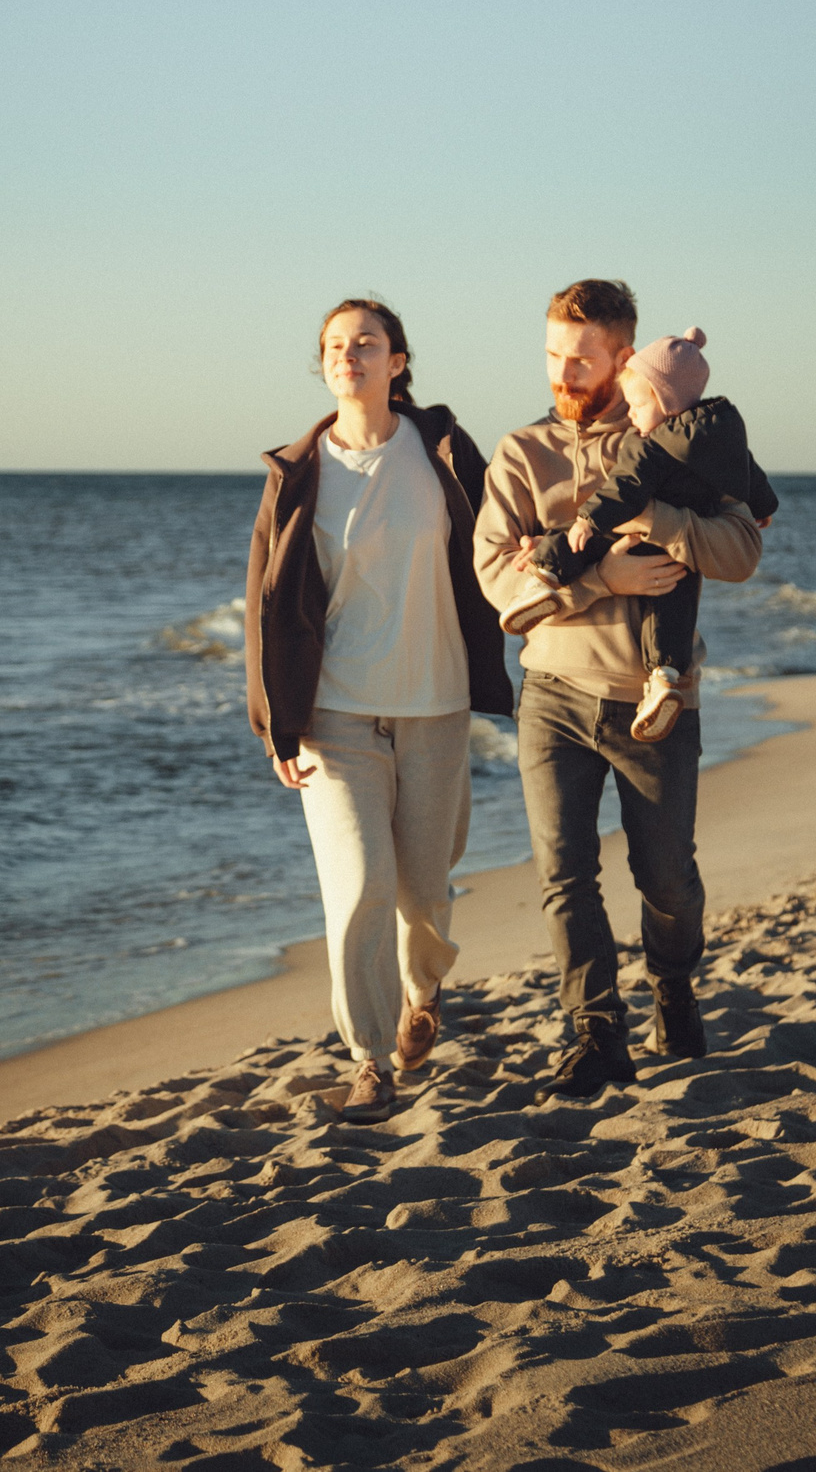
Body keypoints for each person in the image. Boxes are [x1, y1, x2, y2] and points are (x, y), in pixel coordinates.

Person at [473, 279, 766, 1101]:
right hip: (554, 694)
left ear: (623, 357)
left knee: (666, 876)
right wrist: (600, 574)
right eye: (552, 355)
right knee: (564, 873)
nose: (562, 371)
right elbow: (502, 584)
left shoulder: (677, 439)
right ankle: (595, 1031)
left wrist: (659, 526)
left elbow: (741, 550)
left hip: (655, 701)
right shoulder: (520, 453)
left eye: (581, 357)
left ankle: (673, 984)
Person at [245, 298, 513, 1123]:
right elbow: (264, 600)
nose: (348, 354)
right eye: (334, 345)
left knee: (425, 892)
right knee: (359, 885)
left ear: (399, 360)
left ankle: (420, 992)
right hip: (337, 714)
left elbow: (505, 538)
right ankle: (369, 1061)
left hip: (435, 705)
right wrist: (275, 723)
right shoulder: (299, 472)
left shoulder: (442, 452)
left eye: (365, 342)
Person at [499, 326, 779, 742]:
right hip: (676, 556)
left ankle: (546, 576)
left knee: (572, 538)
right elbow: (746, 469)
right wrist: (763, 506)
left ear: (664, 401)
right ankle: (665, 677)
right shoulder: (723, 430)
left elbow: (622, 488)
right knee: (673, 611)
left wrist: (588, 521)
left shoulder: (650, 444)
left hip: (630, 526)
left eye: (637, 404)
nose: (631, 414)